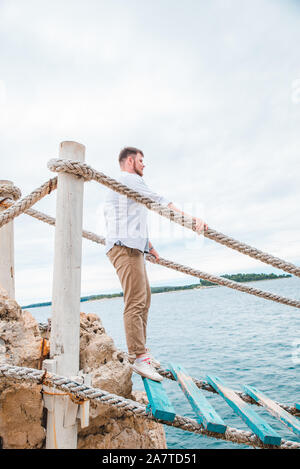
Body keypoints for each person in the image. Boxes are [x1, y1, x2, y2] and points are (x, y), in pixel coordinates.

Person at [104, 147, 207, 382]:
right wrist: (193, 221)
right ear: (130, 161)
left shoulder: (124, 185)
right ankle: (138, 357)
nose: (144, 164)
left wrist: (148, 245)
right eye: (141, 160)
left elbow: (125, 219)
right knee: (136, 302)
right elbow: (160, 201)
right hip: (125, 248)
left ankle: (142, 353)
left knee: (144, 299)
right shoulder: (129, 179)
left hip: (132, 246)